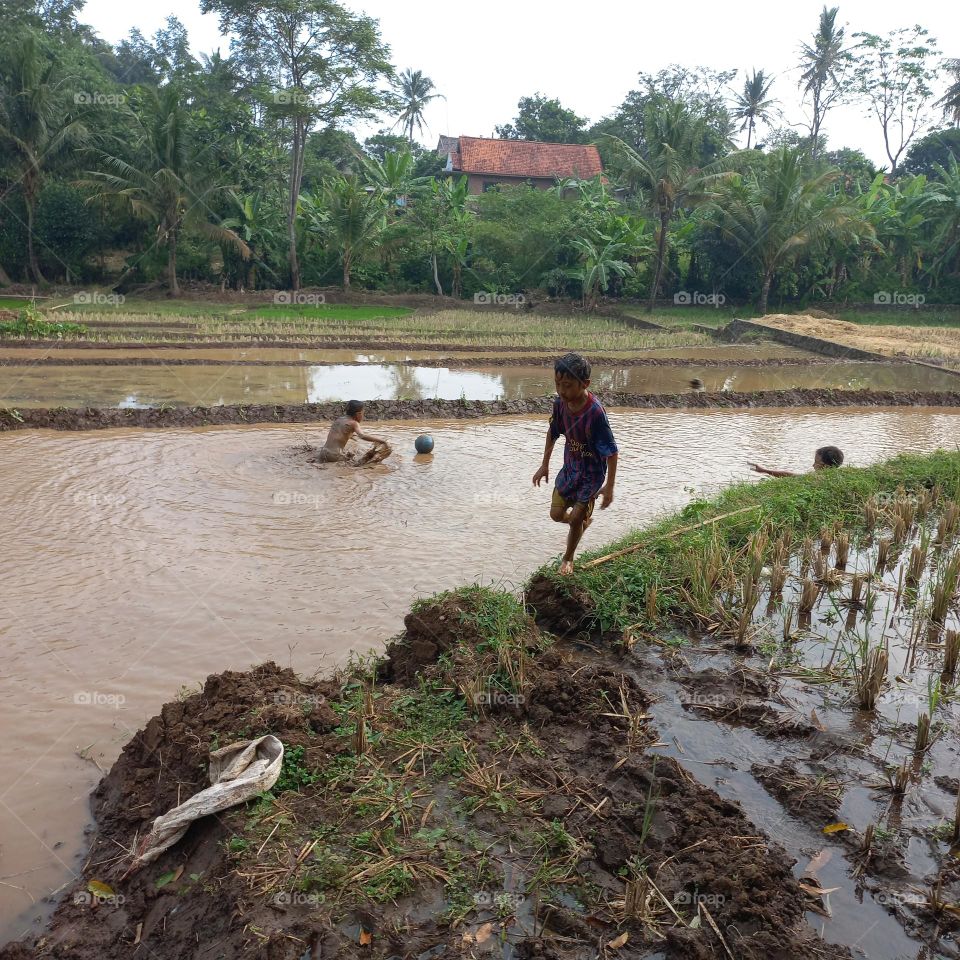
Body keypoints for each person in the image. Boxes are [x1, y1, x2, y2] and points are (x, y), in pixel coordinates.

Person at [532, 353, 619, 575]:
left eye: (568, 385)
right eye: (557, 384)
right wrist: (544, 464)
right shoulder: (560, 404)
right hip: (570, 468)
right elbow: (553, 432)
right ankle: (579, 524)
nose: (561, 391)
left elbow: (612, 452)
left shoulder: (595, 413)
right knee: (555, 514)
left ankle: (568, 559)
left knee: (576, 518)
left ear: (585, 384)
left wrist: (609, 487)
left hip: (591, 474)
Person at [318, 400, 390, 465]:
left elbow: (340, 433)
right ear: (358, 414)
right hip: (334, 456)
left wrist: (351, 436)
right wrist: (382, 441)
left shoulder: (339, 419)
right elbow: (362, 435)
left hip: (323, 453)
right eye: (363, 413)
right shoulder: (353, 423)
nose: (363, 416)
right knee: (358, 465)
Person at [749, 445, 844, 478]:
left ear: (826, 466)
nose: (813, 465)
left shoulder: (819, 479)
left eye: (816, 462)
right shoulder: (839, 476)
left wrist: (765, 470)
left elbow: (789, 476)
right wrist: (765, 470)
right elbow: (790, 475)